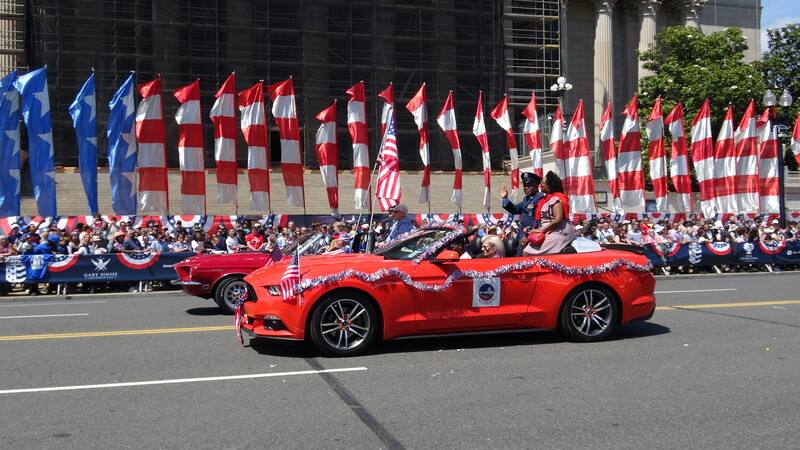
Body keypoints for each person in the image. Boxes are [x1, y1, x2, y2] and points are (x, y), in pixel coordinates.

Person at [523, 171, 576, 255]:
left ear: (549, 186)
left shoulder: (556, 199)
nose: (540, 185)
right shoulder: (543, 200)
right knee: (526, 250)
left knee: (531, 253)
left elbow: (558, 219)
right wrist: (533, 229)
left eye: (543, 183)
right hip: (547, 230)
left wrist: (542, 230)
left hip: (559, 231)